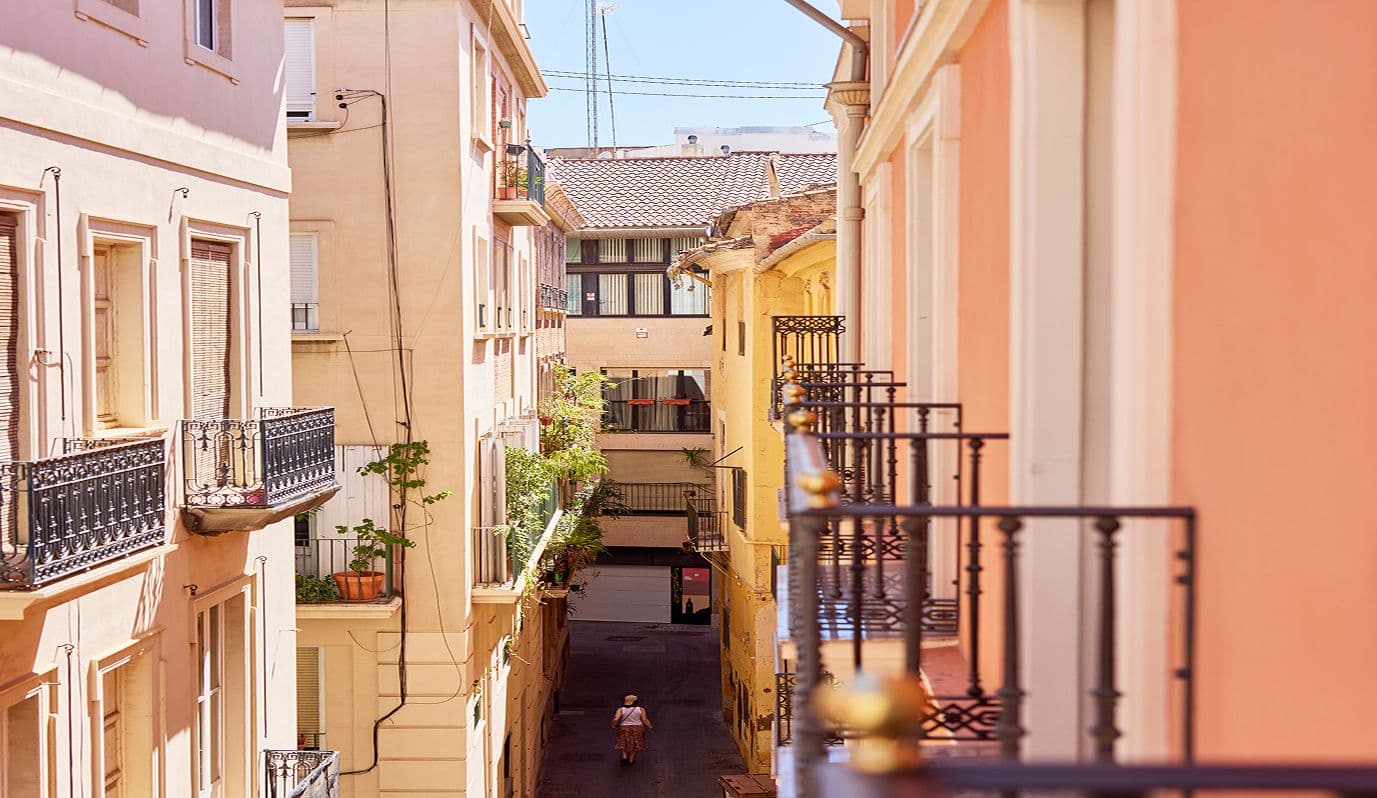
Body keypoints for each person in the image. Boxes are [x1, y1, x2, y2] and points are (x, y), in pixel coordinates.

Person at [611, 694, 653, 766]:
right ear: (634, 702)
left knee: (623, 742)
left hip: (624, 728)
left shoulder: (621, 709)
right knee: (635, 743)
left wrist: (613, 725)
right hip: (637, 728)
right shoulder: (641, 709)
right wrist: (650, 727)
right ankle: (631, 759)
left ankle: (624, 757)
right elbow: (645, 720)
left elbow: (615, 719)